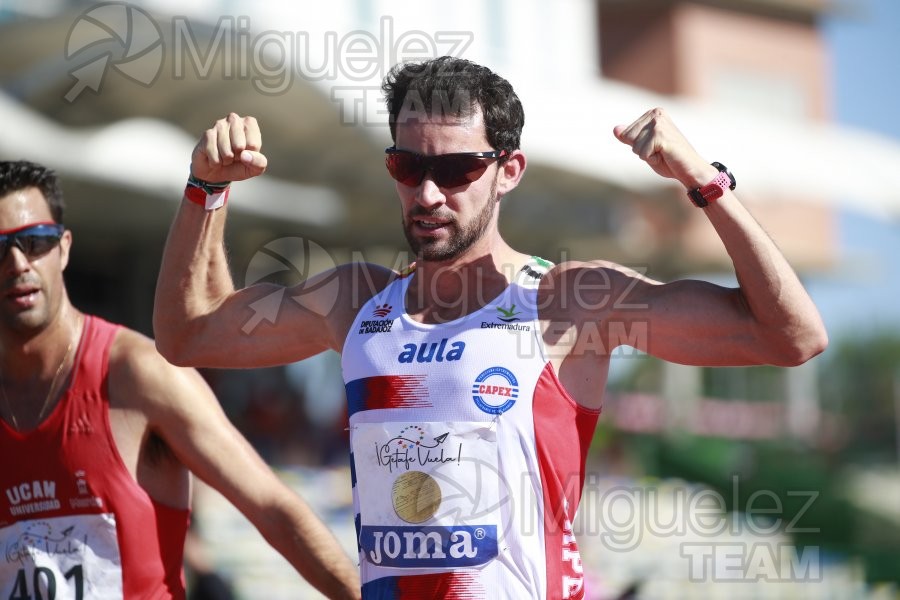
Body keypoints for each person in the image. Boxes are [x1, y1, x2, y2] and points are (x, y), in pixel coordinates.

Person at [153, 56, 828, 599]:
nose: (428, 193)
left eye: (456, 169)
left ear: (508, 171)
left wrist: (702, 179)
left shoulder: (570, 301)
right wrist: (206, 191)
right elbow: (188, 336)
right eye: (408, 166)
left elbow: (790, 336)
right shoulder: (355, 301)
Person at [0, 160, 361, 599]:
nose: (18, 263)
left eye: (34, 241)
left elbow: (274, 509)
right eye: (0, 248)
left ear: (64, 248)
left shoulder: (139, 373)